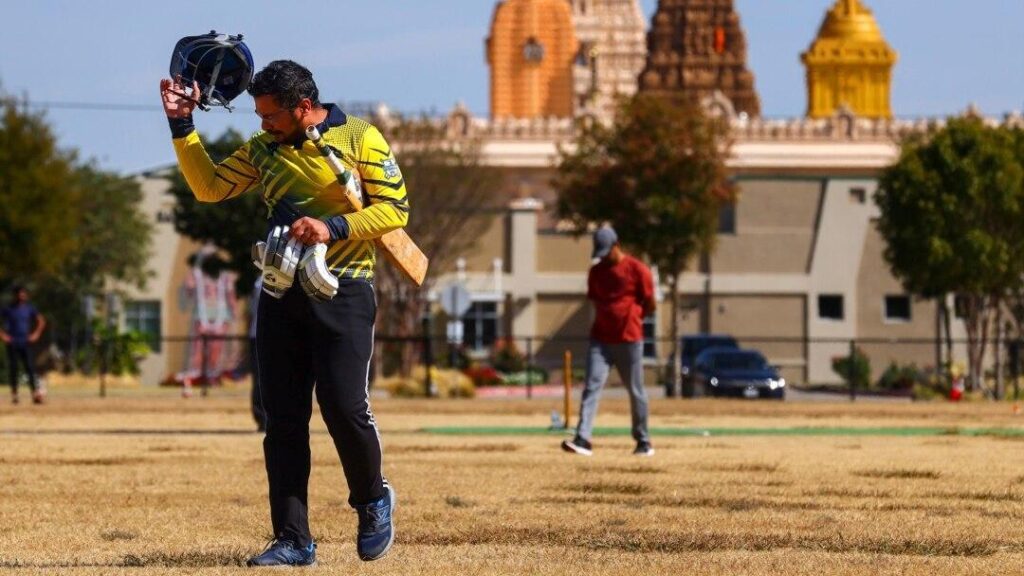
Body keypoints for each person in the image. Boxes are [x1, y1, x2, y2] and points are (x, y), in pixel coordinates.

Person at [160, 59, 408, 566]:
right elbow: (209, 187)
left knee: (344, 406)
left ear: (303, 108)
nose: (262, 124)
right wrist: (181, 125)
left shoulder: (362, 139)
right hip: (280, 292)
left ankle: (372, 499)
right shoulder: (262, 150)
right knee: (284, 421)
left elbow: (395, 212)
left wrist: (332, 228)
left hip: (345, 290)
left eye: (270, 115)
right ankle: (293, 539)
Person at [562, 226, 655, 457]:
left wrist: (635, 317)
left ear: (617, 245)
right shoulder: (596, 273)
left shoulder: (637, 269)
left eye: (607, 252)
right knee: (591, 387)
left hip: (629, 340)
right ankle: (583, 439)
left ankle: (643, 441)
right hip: (600, 340)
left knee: (636, 391)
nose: (603, 258)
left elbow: (651, 302)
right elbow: (595, 301)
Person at [1, 286, 47, 405]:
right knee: (14, 368)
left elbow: (41, 321)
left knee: (30, 368)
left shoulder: (29, 309)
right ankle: (14, 394)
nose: (21, 296)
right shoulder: (8, 309)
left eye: (23, 294)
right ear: (15, 295)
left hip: (25, 342)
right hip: (13, 342)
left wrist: (36, 334)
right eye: (19, 294)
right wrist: (3, 335)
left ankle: (35, 393)